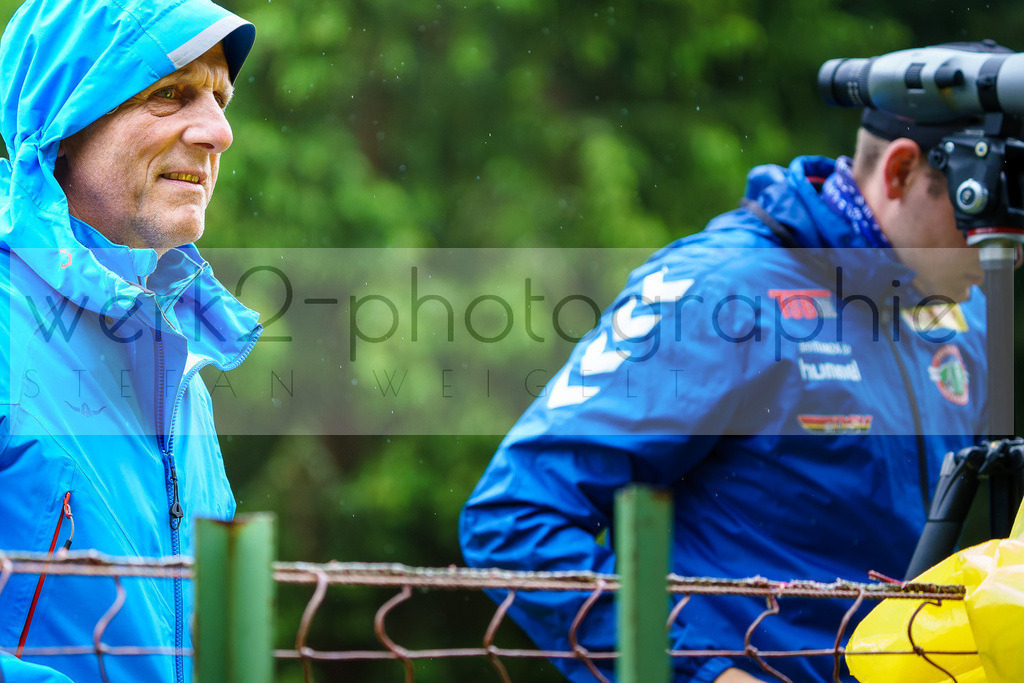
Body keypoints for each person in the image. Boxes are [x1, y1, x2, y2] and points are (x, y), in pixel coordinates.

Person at [459, 43, 1002, 682]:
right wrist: (700, 672)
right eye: (982, 219)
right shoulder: (722, 292)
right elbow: (516, 520)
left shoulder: (962, 309)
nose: (1007, 254)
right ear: (901, 172)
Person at [0, 0, 260, 681]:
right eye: (170, 93)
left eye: (220, 99)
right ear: (66, 119)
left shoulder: (184, 364)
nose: (218, 132)